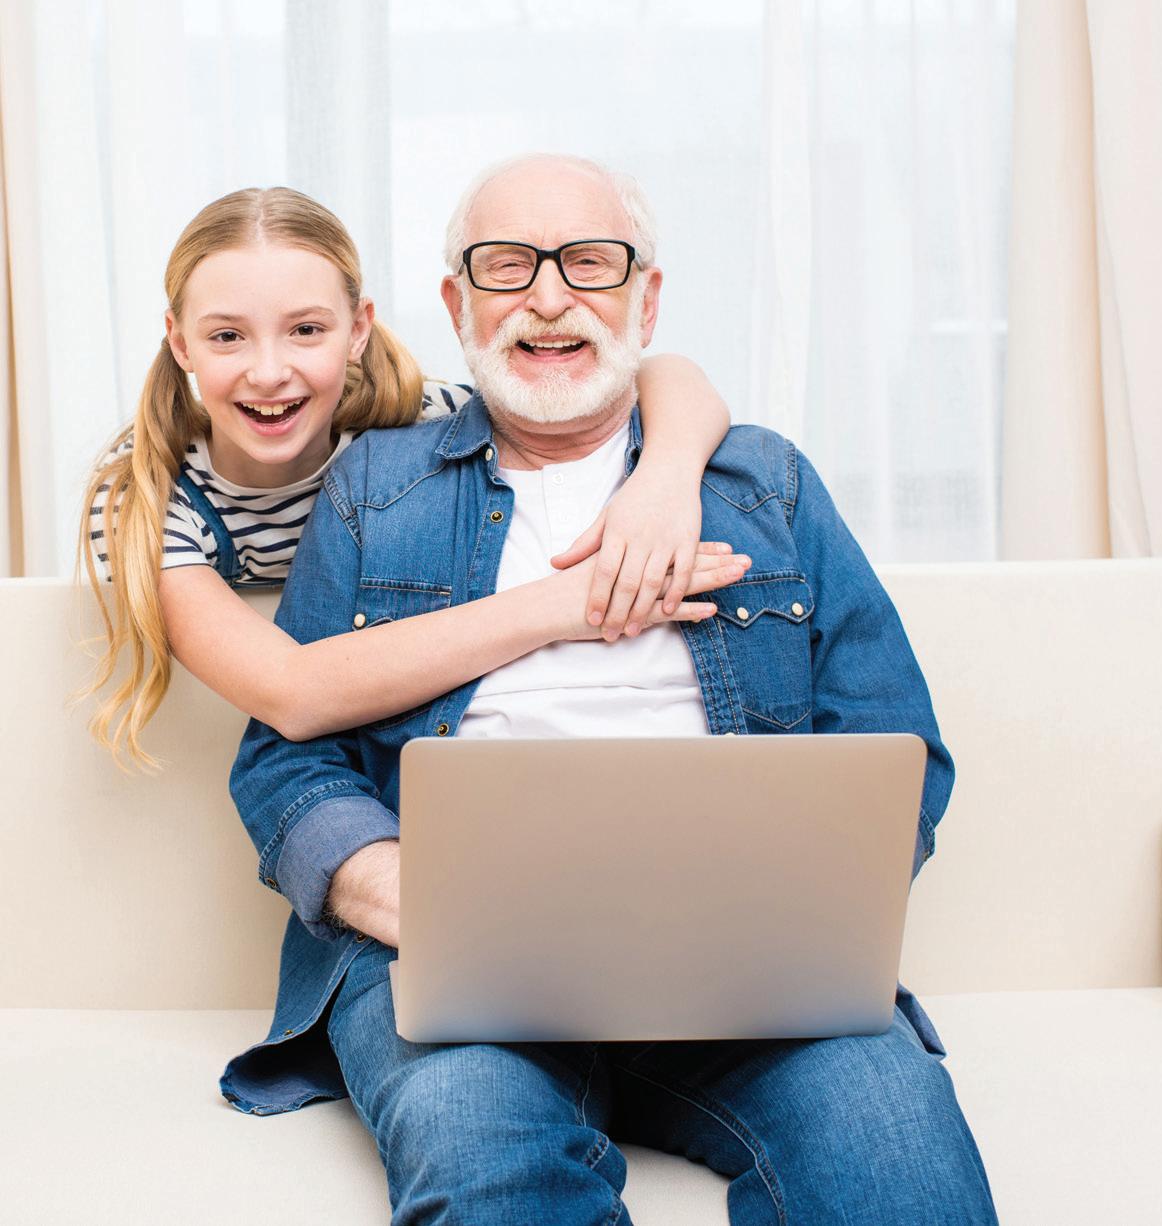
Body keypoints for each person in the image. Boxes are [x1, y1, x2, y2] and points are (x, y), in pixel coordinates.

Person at [224, 155, 998, 1225]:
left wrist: (799, 911)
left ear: (647, 297)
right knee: (478, 1150)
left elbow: (894, 740)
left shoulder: (762, 482)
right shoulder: (374, 487)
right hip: (458, 974)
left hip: (747, 975)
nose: (549, 297)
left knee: (894, 1144)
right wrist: (398, 892)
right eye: (507, 265)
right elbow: (283, 755)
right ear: (456, 303)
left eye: (589, 262)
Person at [79, 186, 746, 767]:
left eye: (306, 330)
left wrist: (664, 479)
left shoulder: (421, 420)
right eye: (227, 337)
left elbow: (661, 375)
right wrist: (571, 603)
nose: (269, 371)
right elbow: (290, 692)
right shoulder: (143, 498)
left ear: (358, 330)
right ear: (180, 341)